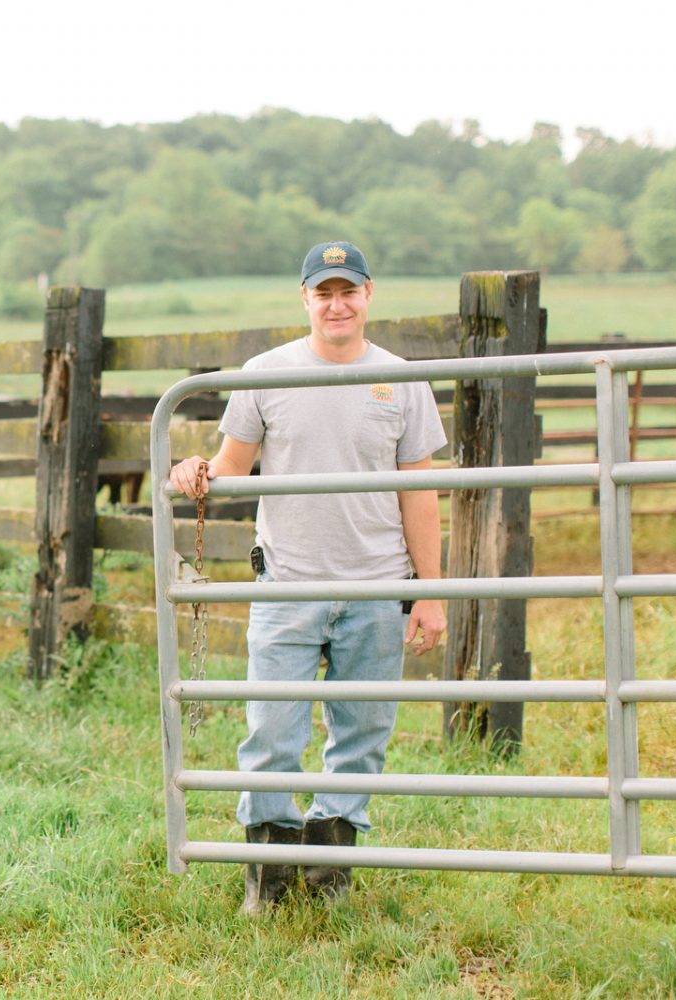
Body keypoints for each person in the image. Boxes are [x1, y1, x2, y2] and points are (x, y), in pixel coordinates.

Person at [168, 241, 448, 913]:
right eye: (323, 292)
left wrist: (430, 592)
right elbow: (233, 467)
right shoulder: (265, 373)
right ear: (304, 299)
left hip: (376, 585)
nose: (336, 304)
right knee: (271, 730)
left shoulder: (403, 379)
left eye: (347, 290)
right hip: (287, 581)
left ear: (369, 294)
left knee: (362, 732)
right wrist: (196, 471)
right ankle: (267, 874)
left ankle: (329, 874)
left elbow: (421, 493)